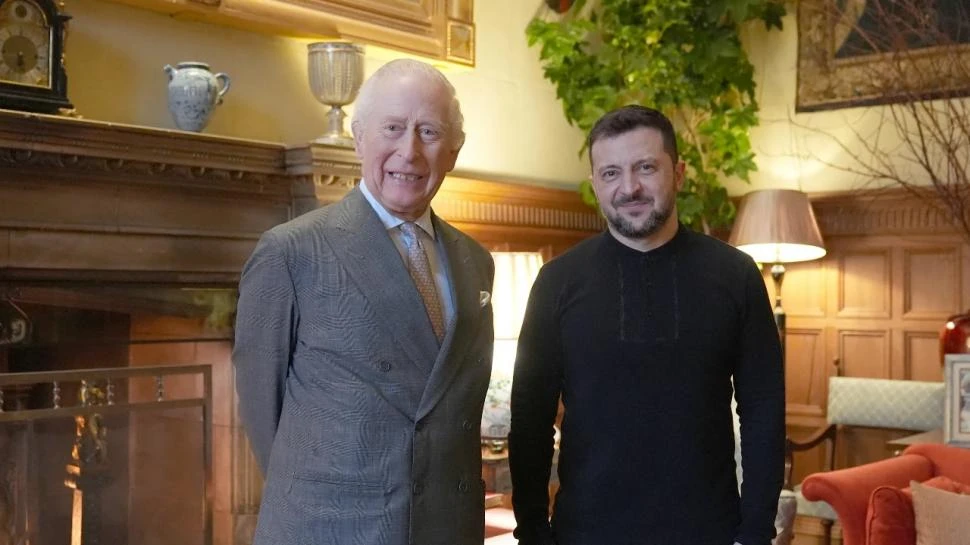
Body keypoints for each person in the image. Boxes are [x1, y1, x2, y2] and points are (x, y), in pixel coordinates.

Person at [232, 59, 495, 545]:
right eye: (392, 128)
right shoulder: (291, 251)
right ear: (359, 139)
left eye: (429, 131)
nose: (409, 151)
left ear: (454, 151)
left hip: (447, 528)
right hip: (332, 528)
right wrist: (322, 497)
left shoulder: (476, 261)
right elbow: (260, 408)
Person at [508, 105, 785, 545]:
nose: (629, 187)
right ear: (595, 184)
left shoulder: (736, 276)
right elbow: (530, 420)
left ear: (678, 172)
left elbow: (764, 414)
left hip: (708, 531)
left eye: (645, 168)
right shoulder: (557, 282)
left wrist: (754, 533)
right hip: (584, 533)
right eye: (611, 173)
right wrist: (533, 532)